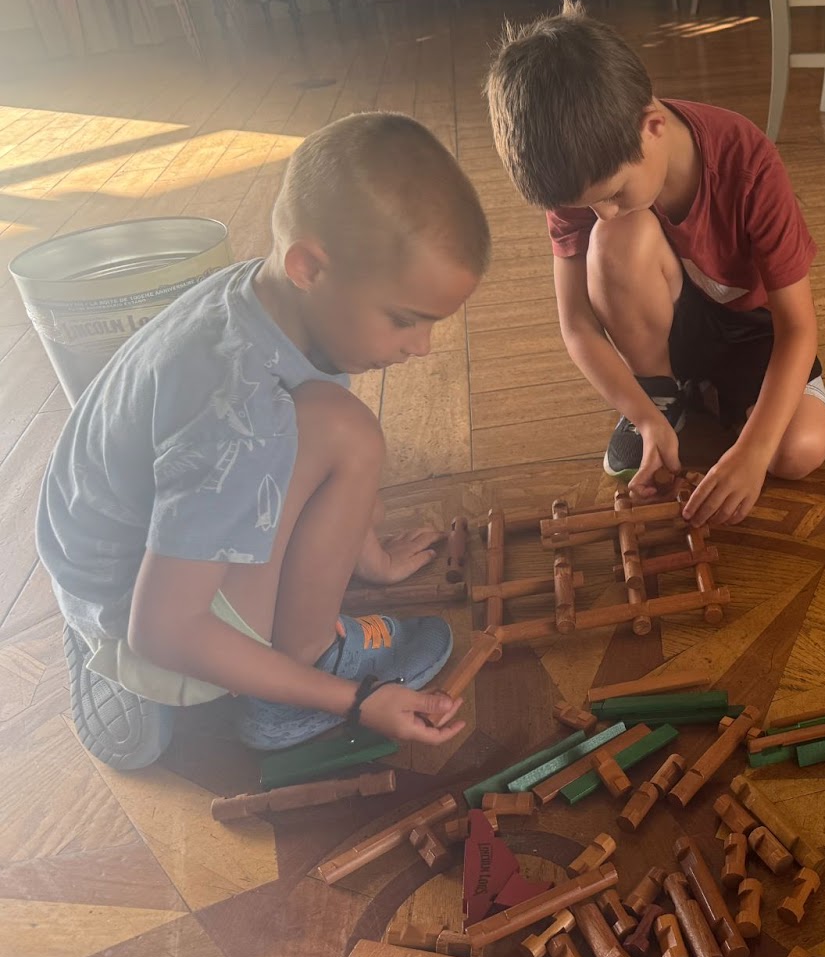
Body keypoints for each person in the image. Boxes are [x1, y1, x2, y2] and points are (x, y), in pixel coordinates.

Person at [36, 112, 492, 770]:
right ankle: (288, 682)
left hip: (110, 553)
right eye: (405, 320)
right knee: (349, 435)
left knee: (336, 431)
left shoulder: (276, 300)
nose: (421, 349)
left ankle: (226, 644)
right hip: (132, 610)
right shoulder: (236, 411)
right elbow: (162, 629)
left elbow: (309, 429)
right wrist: (353, 700)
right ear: (310, 265)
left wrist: (369, 557)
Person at [484, 0, 825, 527]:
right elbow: (576, 324)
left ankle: (712, 394)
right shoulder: (580, 172)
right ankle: (662, 391)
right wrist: (643, 419)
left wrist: (754, 452)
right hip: (671, 328)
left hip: (758, 332)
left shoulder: (747, 159)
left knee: (798, 452)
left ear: (652, 127)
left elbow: (798, 329)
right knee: (617, 237)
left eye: (614, 192)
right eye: (586, 204)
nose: (600, 212)